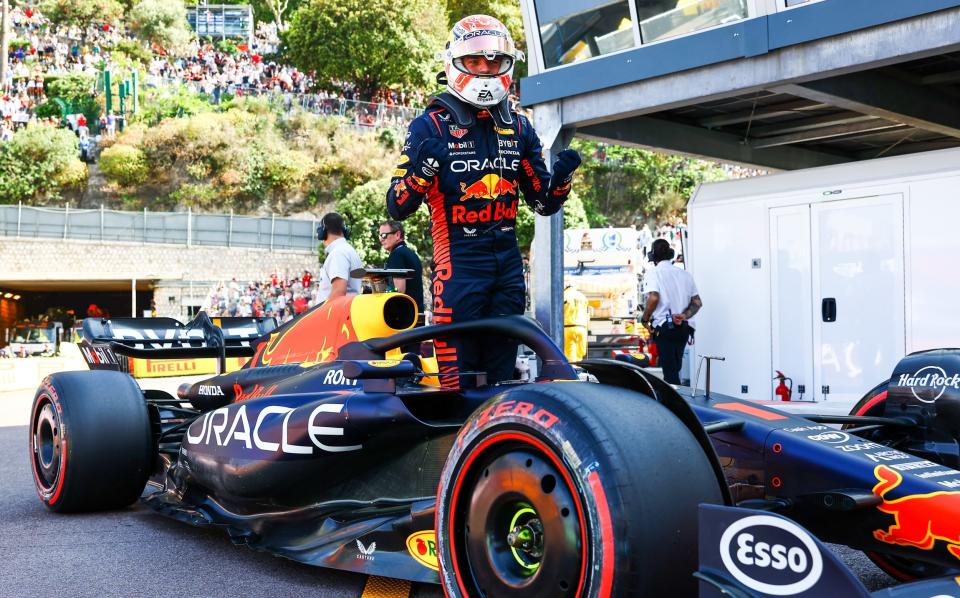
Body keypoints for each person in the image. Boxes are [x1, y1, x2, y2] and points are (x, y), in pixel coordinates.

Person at [386, 14, 582, 388]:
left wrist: (562, 180)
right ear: (455, 64)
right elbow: (397, 205)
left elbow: (542, 203)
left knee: (501, 384)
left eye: (493, 62)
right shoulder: (429, 125)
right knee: (457, 388)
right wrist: (423, 171)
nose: (486, 70)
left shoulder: (519, 126)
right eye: (475, 62)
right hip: (458, 269)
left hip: (508, 270)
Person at [639, 238, 702, 385]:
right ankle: (679, 398)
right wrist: (684, 315)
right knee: (675, 367)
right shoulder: (685, 275)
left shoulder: (653, 273)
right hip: (684, 328)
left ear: (653, 257)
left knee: (670, 372)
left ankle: (674, 403)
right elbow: (697, 303)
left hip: (664, 327)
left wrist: (645, 318)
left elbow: (654, 297)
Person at [378, 220, 424, 314]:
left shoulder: (397, 255)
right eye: (380, 236)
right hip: (416, 314)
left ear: (397, 235)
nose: (381, 239)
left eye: (384, 235)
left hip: (403, 318)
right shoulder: (411, 253)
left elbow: (399, 289)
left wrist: (380, 291)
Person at [316, 212, 361, 302]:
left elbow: (338, 292)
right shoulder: (347, 250)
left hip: (333, 314)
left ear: (322, 232)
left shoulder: (338, 253)